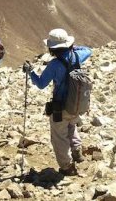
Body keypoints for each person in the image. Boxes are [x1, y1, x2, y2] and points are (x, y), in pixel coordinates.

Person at [23, 28, 92, 176]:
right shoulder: (78, 56)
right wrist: (72, 47)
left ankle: (67, 167)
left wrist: (31, 72)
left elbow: (41, 84)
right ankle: (77, 151)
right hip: (76, 103)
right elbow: (88, 50)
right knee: (71, 126)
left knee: (59, 137)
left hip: (61, 106)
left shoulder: (54, 65)